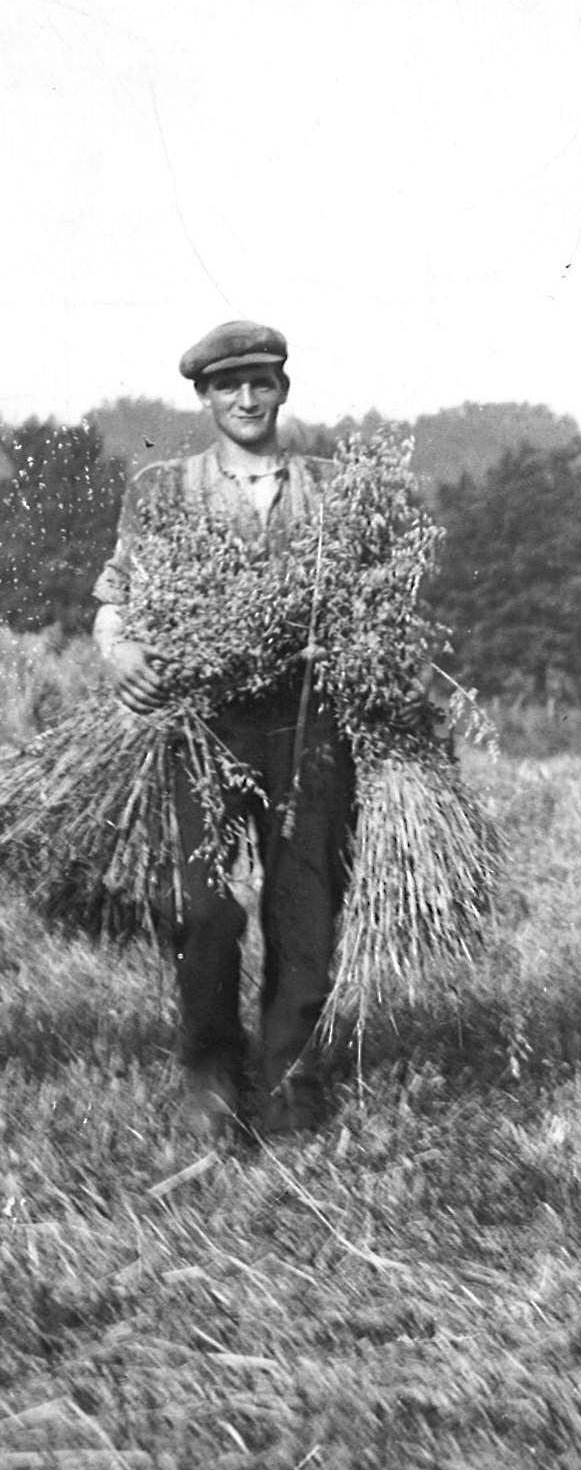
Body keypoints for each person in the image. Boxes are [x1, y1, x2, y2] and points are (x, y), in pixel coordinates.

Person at [93, 320, 350, 1143]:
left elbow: (374, 601)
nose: (247, 398)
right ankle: (209, 1070)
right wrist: (123, 650)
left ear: (283, 388)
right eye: (228, 384)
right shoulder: (164, 490)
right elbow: (114, 600)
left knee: (306, 905)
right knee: (204, 908)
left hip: (306, 721)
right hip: (203, 724)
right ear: (204, 397)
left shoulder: (333, 489)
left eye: (262, 382)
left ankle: (290, 1077)